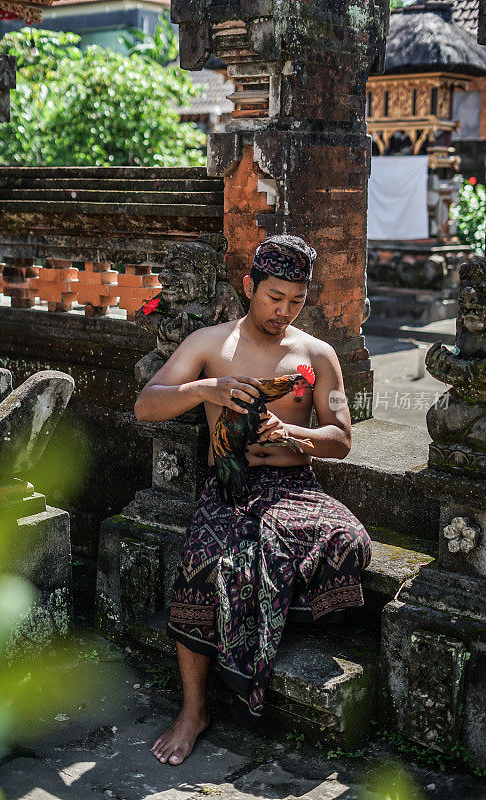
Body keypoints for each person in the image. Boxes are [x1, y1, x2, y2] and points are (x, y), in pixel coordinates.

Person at [134, 234, 372, 766]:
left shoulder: (319, 355)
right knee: (203, 563)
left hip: (294, 489)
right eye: (273, 297)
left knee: (350, 541)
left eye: (295, 301)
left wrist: (291, 435)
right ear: (250, 286)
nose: (282, 311)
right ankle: (193, 710)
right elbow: (146, 404)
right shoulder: (208, 343)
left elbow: (342, 437)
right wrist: (205, 390)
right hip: (231, 489)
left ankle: (275, 609)